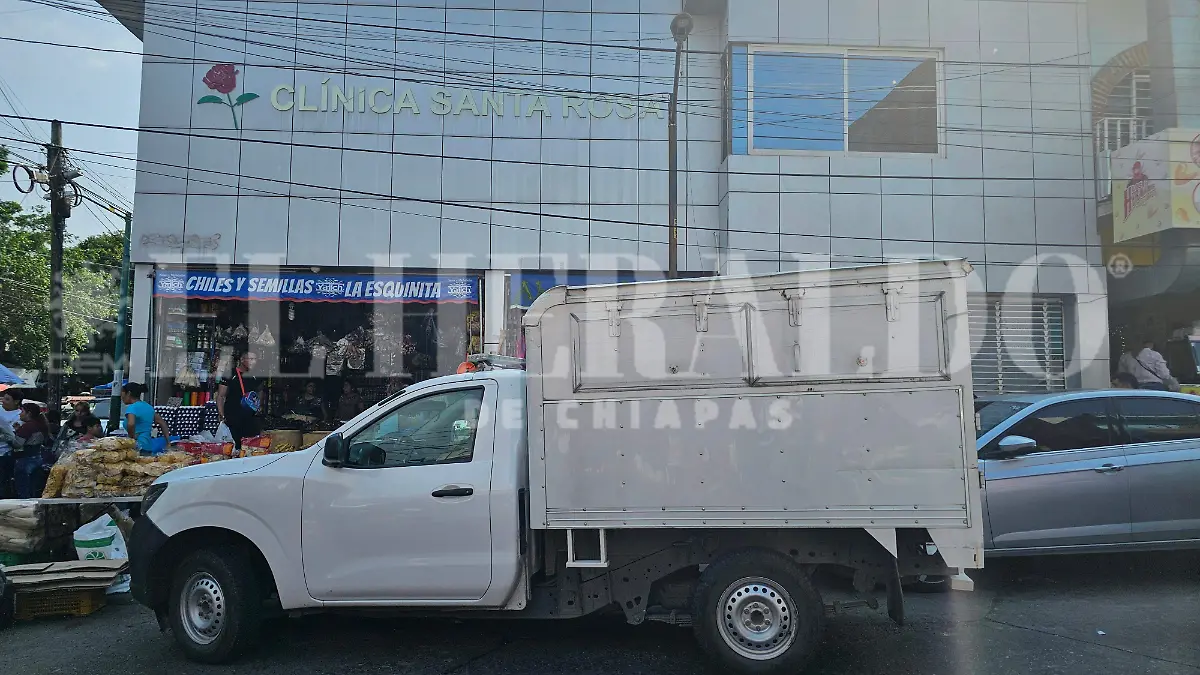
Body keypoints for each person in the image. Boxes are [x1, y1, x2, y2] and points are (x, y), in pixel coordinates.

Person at [217, 351, 262, 449]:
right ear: (242, 360)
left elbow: (259, 391)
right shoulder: (230, 374)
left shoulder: (256, 376)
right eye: (251, 359)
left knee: (251, 447)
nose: (254, 362)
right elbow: (221, 396)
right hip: (233, 417)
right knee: (234, 447)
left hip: (250, 418)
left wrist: (258, 406)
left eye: (255, 359)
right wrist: (222, 414)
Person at [11, 402, 49, 498]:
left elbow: (17, 444)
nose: (20, 414)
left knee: (23, 490)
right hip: (37, 458)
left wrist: (9, 436)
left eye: (22, 411)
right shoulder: (40, 425)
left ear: (29, 413)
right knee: (33, 488)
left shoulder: (27, 427)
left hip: (25, 460)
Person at [123, 383, 171, 454]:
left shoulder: (132, 408)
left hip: (137, 447)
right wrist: (168, 442)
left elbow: (131, 423)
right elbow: (162, 423)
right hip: (148, 446)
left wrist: (131, 438)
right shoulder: (148, 407)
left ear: (128, 393)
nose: (122, 397)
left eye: (123, 394)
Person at [0, 390, 23, 499]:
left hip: (5, 453)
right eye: (3, 398)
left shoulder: (19, 415)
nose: (3, 401)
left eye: (7, 399)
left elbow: (13, 435)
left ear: (16, 401)